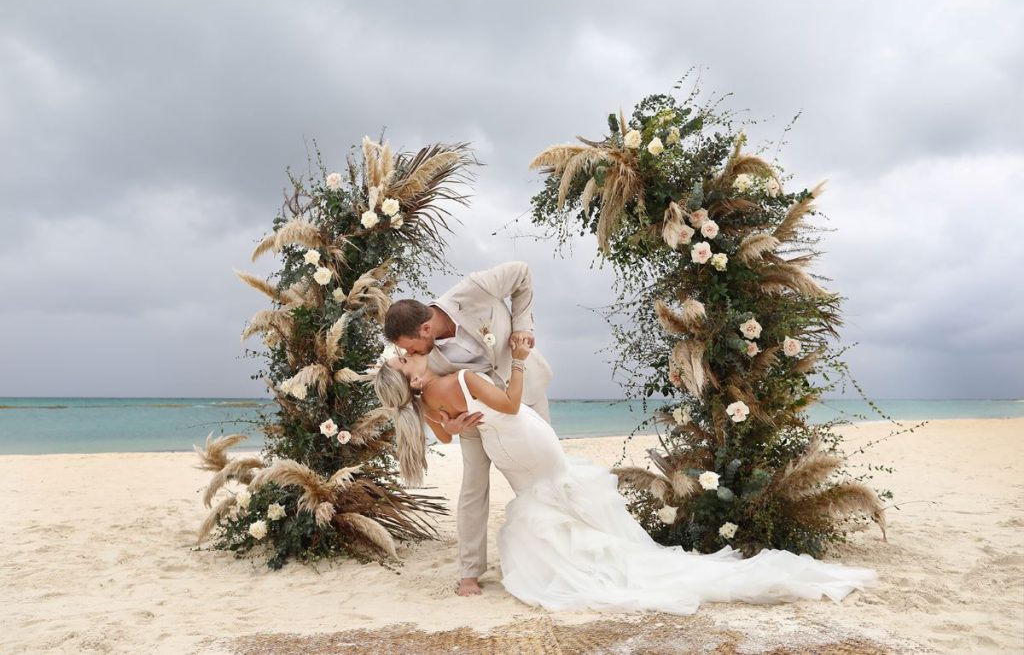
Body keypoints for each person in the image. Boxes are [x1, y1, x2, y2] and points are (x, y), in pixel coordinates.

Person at [373, 339, 877, 615]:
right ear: (411, 374)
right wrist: (520, 364)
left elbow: (445, 437)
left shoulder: (422, 404)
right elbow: (507, 403)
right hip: (522, 434)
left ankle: (580, 559)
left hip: (504, 447)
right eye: (405, 358)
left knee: (542, 501)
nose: (408, 355)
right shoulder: (457, 378)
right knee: (554, 493)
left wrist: (458, 425)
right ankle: (596, 555)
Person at [382, 261, 553, 596]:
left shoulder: (473, 290)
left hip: (525, 395)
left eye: (410, 347)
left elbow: (522, 273)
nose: (408, 353)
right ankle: (470, 573)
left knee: (544, 475)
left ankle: (550, 551)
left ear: (426, 330)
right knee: (473, 487)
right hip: (475, 418)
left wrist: (522, 327)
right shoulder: (421, 362)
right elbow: (417, 397)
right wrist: (450, 426)